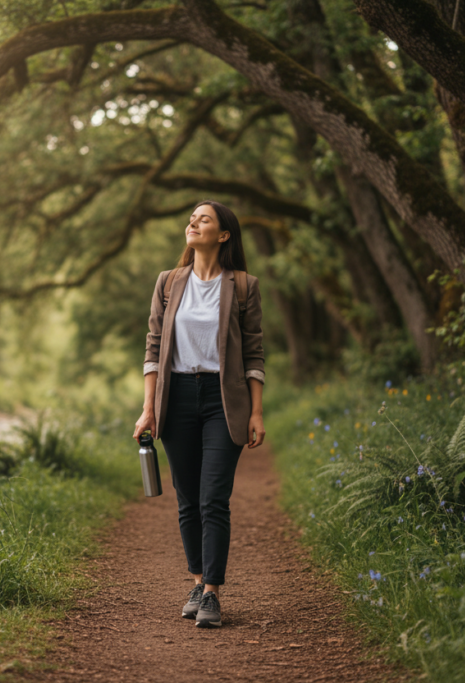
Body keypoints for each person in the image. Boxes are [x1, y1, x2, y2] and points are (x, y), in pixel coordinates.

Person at [133, 200, 266, 629]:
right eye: (191, 218)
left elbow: (253, 353)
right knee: (188, 499)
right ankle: (196, 580)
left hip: (222, 401)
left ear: (223, 234)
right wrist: (148, 407)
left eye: (203, 218)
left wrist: (257, 411)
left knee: (214, 498)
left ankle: (211, 593)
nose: (193, 223)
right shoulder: (169, 282)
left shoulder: (243, 285)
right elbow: (154, 348)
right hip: (177, 398)